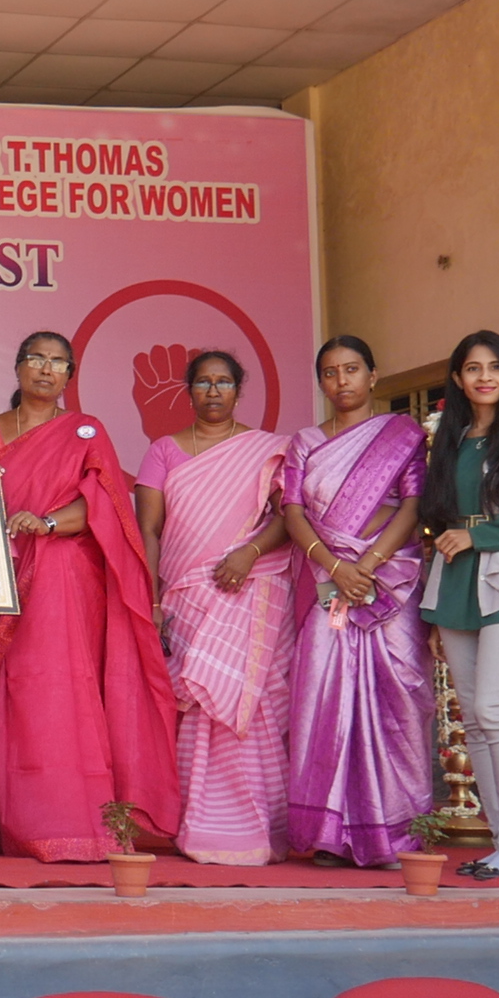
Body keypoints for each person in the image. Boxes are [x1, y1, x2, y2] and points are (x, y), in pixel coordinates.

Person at [0, 331, 181, 862]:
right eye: (36, 358)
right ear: (17, 367)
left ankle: (77, 820)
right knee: (13, 693)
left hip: (65, 577)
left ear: (69, 376)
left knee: (65, 690)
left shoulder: (85, 431)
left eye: (59, 362)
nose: (46, 369)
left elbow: (105, 505)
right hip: (0, 583)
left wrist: (49, 521)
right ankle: (20, 825)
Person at [134, 351, 295, 866]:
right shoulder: (164, 450)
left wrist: (249, 554)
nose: (213, 392)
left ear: (238, 389)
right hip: (186, 594)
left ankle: (259, 825)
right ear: (189, 390)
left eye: (223, 382)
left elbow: (288, 517)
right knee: (199, 707)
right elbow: (150, 530)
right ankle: (200, 822)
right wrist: (154, 598)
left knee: (254, 705)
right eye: (203, 383)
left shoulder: (267, 450)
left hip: (252, 590)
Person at [281, 335, 431, 869]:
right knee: (323, 700)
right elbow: (292, 511)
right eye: (329, 372)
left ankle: (397, 833)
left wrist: (365, 568)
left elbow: (415, 503)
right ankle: (329, 833)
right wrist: (336, 565)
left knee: (398, 696)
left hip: (390, 580)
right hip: (327, 582)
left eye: (350, 370)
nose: (340, 382)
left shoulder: (404, 435)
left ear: (372, 374)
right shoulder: (303, 443)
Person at [420, 331, 499, 881]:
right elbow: (437, 519)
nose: (484, 376)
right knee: (472, 719)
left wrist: (479, 535)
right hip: (455, 583)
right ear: (458, 379)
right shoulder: (452, 440)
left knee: (494, 711)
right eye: (473, 368)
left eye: (495, 367)